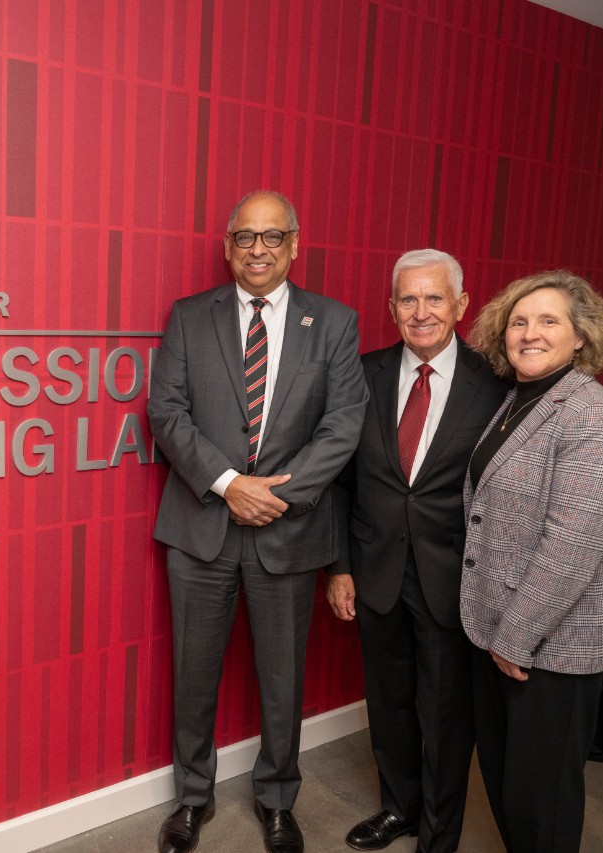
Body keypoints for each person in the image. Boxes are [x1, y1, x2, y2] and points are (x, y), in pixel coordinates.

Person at [148, 190, 368, 853]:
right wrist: (228, 484)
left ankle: (277, 798)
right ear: (227, 247)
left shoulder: (333, 322)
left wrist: (277, 494)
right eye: (246, 237)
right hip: (201, 528)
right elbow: (166, 411)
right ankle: (192, 797)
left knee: (282, 677)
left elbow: (344, 421)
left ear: (295, 245)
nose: (259, 250)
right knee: (193, 672)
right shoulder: (190, 317)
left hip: (288, 529)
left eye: (273, 237)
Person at [326, 250, 508, 852]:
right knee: (389, 703)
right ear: (392, 309)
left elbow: (524, 481)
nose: (421, 311)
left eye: (434, 299)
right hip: (375, 570)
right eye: (408, 300)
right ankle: (398, 809)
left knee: (447, 715)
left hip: (453, 576)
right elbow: (340, 480)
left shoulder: (497, 386)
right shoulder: (361, 373)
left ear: (460, 305)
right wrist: (341, 567)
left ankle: (438, 832)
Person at [462, 271, 603, 853]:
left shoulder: (589, 412)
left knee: (543, 802)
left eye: (548, 321)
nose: (529, 333)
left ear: (580, 336)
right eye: (518, 322)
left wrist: (515, 636)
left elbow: (572, 544)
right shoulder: (518, 398)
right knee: (511, 788)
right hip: (498, 627)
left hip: (555, 644)